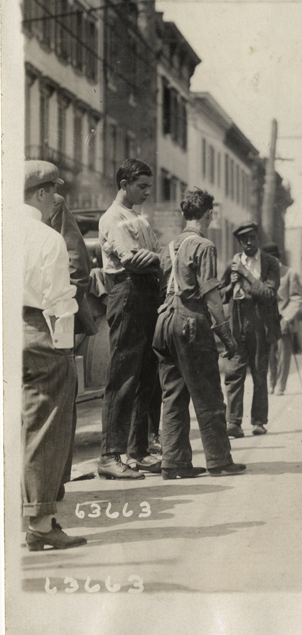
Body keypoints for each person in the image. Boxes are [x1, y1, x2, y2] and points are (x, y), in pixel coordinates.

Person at [154, 188, 246, 479]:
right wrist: (226, 336)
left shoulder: (170, 246)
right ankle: (219, 460)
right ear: (208, 214)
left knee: (173, 395)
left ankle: (173, 462)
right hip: (190, 322)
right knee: (208, 396)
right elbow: (212, 297)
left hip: (164, 322)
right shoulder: (204, 246)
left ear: (184, 214)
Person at [21, 161, 86, 550]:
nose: (55, 201)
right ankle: (41, 523)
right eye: (52, 192)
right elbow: (60, 301)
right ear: (42, 193)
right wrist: (64, 351)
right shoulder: (47, 238)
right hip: (39, 331)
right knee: (45, 427)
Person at [97, 158, 164, 480]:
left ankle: (138, 450)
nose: (147, 192)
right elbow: (133, 261)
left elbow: (156, 255)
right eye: (142, 186)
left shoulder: (139, 219)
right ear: (124, 184)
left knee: (146, 377)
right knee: (123, 377)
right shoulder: (114, 218)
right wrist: (158, 258)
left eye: (149, 186)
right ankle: (110, 455)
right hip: (127, 293)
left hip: (146, 295)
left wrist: (155, 257)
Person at [48, 193, 101, 499]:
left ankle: (54, 482)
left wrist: (57, 311)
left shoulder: (52, 203)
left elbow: (77, 268)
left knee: (60, 397)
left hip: (53, 318)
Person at [220, 221, 281, 438]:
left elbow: (268, 295)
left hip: (260, 323)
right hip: (237, 321)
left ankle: (258, 422)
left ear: (258, 238)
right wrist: (230, 286)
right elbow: (220, 294)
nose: (249, 242)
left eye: (252, 237)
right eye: (244, 239)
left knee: (259, 373)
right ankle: (233, 422)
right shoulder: (233, 263)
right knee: (234, 372)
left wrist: (245, 273)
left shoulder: (270, 263)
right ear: (239, 242)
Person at [264, 244, 302, 396]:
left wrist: (287, 317)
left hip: (284, 320)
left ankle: (280, 385)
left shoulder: (290, 274)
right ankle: (271, 383)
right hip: (267, 321)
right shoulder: (263, 274)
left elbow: (296, 298)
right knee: (269, 355)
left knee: (283, 355)